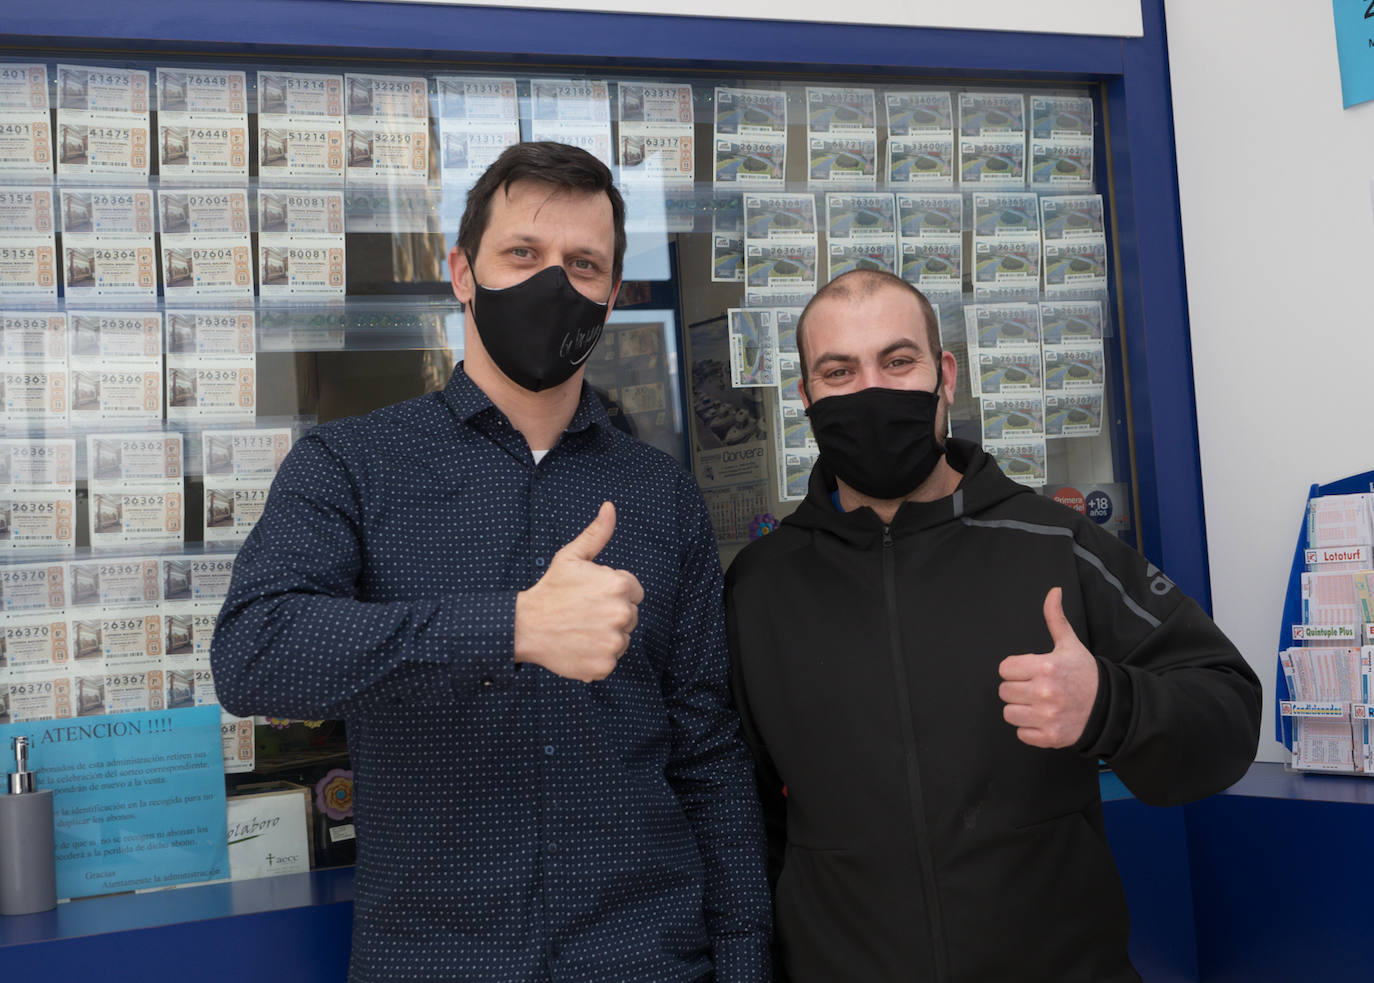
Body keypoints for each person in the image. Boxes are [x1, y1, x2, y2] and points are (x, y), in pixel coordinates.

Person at [212, 142, 771, 981]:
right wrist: (509, 626)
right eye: (524, 254)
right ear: (463, 272)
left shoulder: (661, 495)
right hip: (435, 958)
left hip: (644, 957)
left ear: (613, 296)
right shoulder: (353, 465)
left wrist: (744, 954)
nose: (555, 284)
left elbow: (706, 752)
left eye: (583, 264)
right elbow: (255, 654)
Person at [725, 269, 1261, 982]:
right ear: (807, 397)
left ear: (945, 373)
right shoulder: (762, 586)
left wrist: (1110, 704)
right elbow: (739, 817)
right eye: (838, 371)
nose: (872, 390)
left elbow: (1228, 713)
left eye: (897, 360)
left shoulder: (1052, 545)